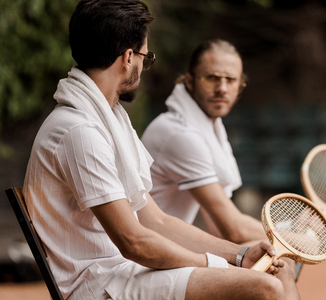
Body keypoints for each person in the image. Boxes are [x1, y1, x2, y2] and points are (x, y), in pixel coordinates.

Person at [22, 1, 300, 299]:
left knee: (277, 270)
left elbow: (157, 222)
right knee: (265, 287)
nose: (144, 66)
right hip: (96, 285)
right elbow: (134, 242)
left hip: (119, 273)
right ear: (128, 57)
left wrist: (240, 254)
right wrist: (217, 265)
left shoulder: (103, 120)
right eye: (146, 56)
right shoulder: (80, 131)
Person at [141, 39, 302, 278]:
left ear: (240, 86)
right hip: (145, 257)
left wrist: (285, 235)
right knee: (280, 267)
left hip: (167, 247)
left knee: (275, 262)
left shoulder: (210, 131)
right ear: (189, 80)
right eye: (212, 78)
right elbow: (232, 228)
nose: (222, 88)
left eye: (230, 80)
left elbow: (221, 230)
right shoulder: (180, 133)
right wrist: (291, 237)